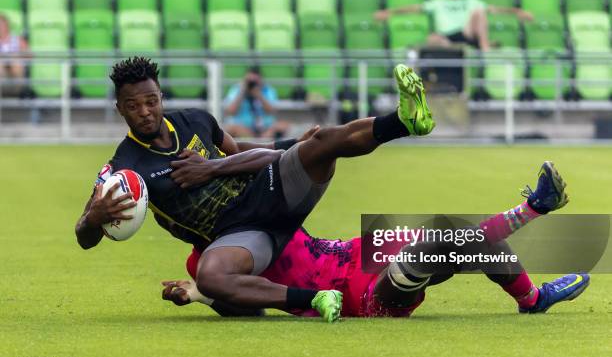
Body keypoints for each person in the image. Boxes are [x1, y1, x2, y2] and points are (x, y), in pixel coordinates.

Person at [74, 56, 434, 322]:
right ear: (120, 108)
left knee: (321, 140)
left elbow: (246, 153)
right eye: (133, 106)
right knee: (211, 277)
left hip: (266, 192)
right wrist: (93, 218)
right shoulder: (125, 167)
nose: (145, 112)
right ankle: (316, 299)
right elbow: (84, 236)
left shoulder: (196, 120)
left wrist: (283, 149)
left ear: (161, 97)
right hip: (238, 235)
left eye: (151, 101)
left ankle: (403, 122)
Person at [162, 162, 590, 318]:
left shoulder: (252, 213)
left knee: (458, 231)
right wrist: (200, 295)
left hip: (358, 249)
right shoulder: (208, 262)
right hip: (355, 293)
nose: (216, 200)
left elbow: (276, 161)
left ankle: (532, 293)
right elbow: (243, 306)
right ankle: (536, 214)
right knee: (444, 240)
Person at [374, 0, 533, 52]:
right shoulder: (439, 2)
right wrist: (389, 12)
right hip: (447, 36)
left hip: (466, 32)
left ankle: (485, 48)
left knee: (479, 11)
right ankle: (472, 46)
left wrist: (517, 11)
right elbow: (415, 8)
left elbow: (495, 9)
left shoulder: (470, 0)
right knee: (432, 38)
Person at [223, 68, 289, 138]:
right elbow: (231, 111)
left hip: (265, 128)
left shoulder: (268, 90)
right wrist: (242, 93)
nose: (252, 84)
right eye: (249, 81)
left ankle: (260, 138)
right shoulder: (237, 90)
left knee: (283, 125)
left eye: (255, 81)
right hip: (243, 128)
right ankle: (259, 140)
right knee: (231, 128)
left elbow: (271, 111)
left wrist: (259, 95)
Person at [0, 14, 28, 97]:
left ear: (7, 26)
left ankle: (15, 86)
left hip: (16, 74)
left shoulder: (18, 40)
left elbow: (29, 55)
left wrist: (15, 56)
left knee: (15, 61)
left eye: (2, 25)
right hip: (1, 74)